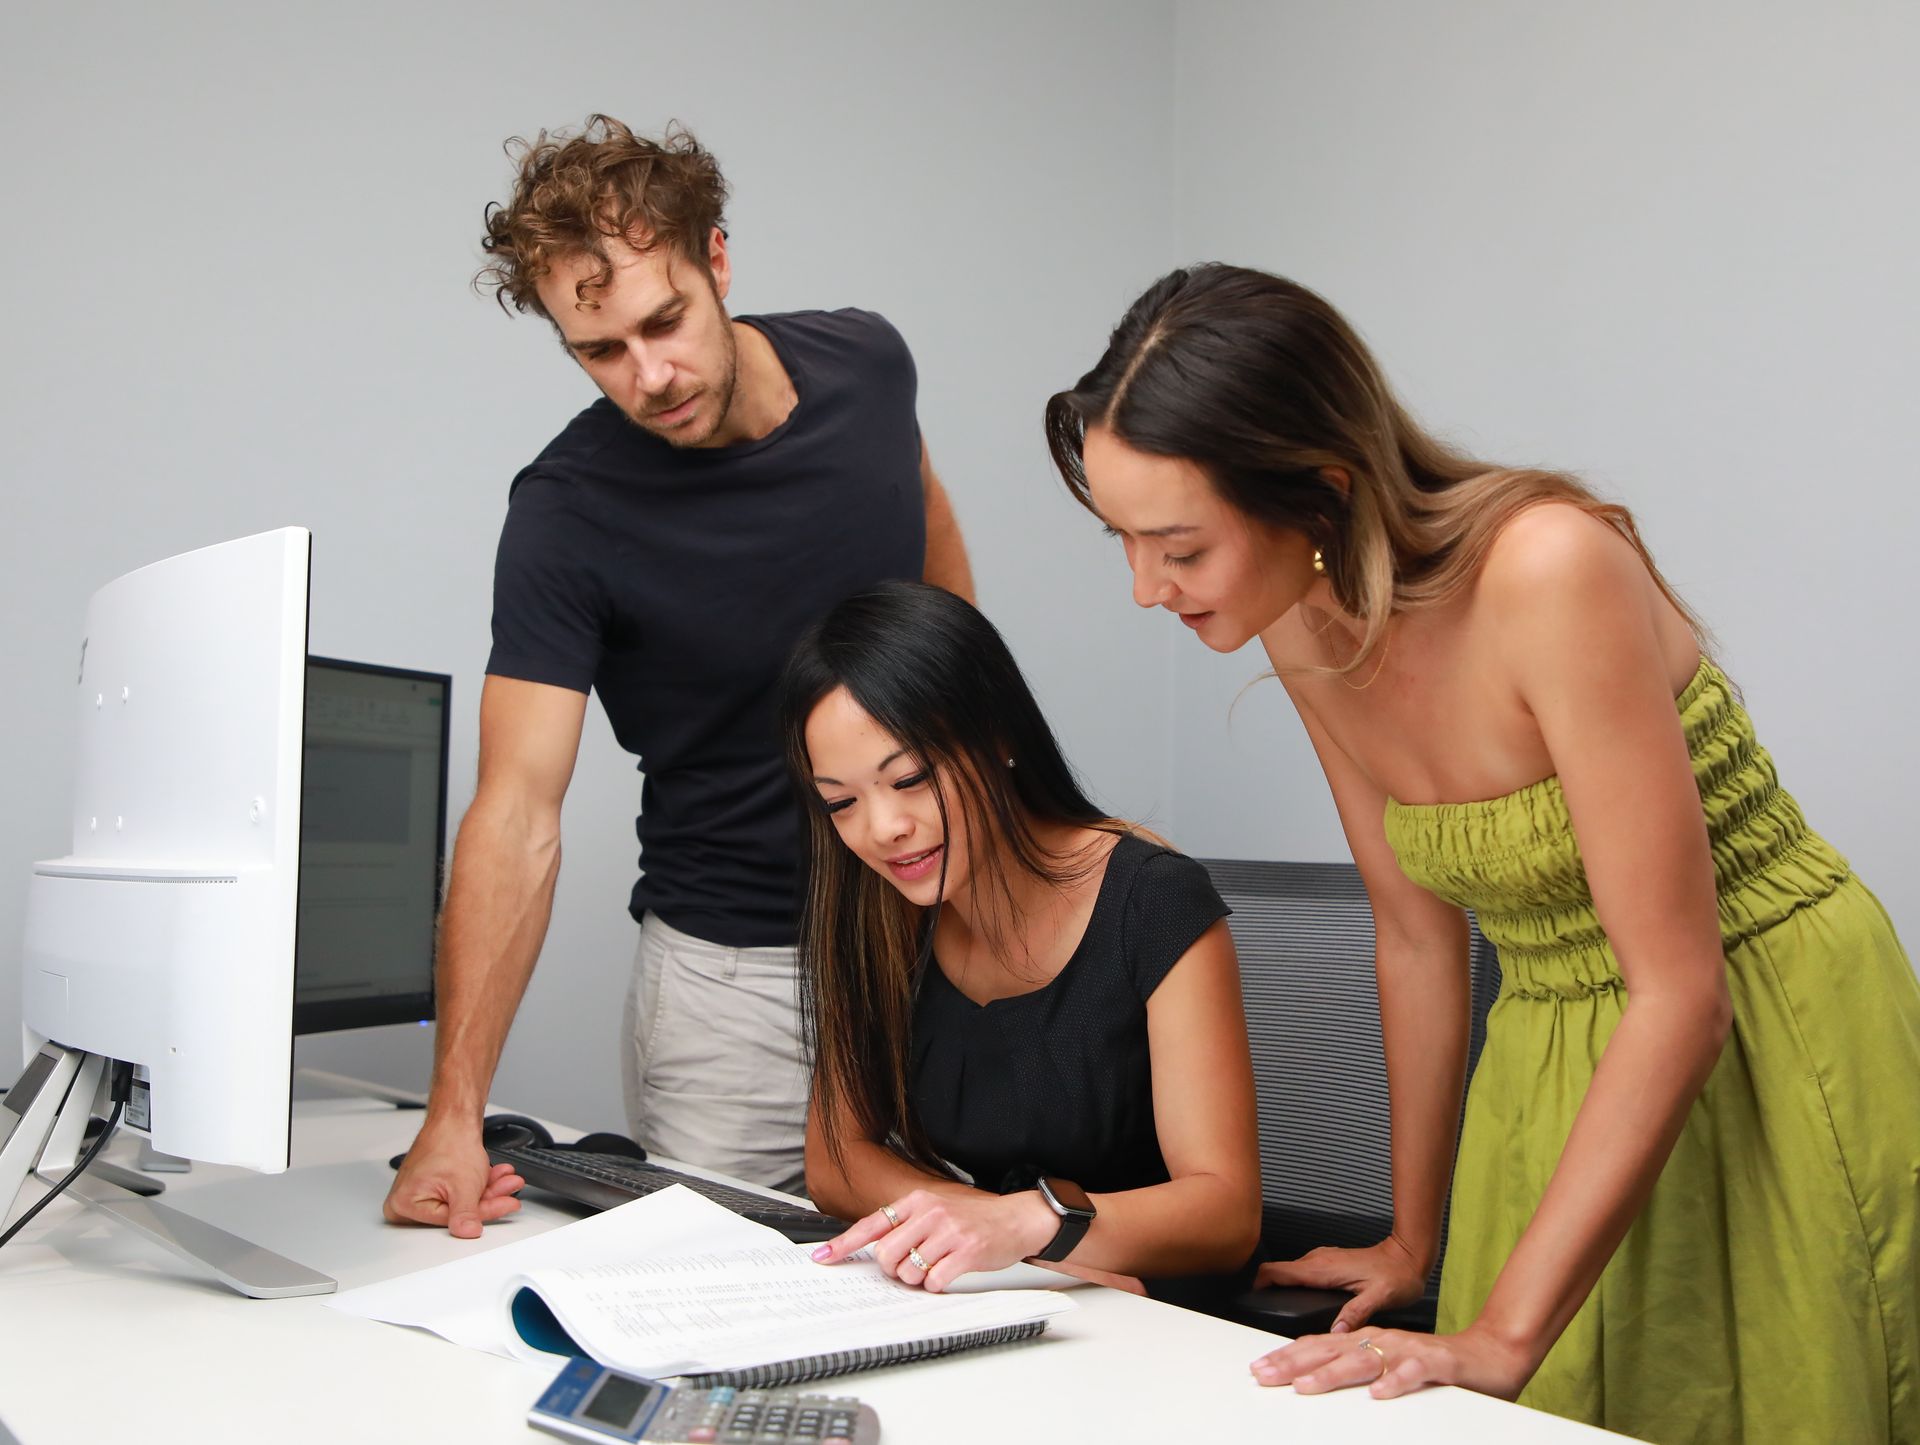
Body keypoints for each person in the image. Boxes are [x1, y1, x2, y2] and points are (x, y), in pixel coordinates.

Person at [1044, 265, 1920, 1442]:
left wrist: (1503, 1329)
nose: (1149, 588)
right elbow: (1415, 934)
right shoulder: (1303, 623)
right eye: (1125, 543)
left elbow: (1680, 990)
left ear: (1317, 491)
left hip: (1761, 1026)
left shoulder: (1550, 569)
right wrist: (1416, 1240)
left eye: (1180, 547)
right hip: (1548, 1058)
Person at [384, 117, 973, 1235]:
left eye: (666, 322)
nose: (649, 376)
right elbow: (516, 812)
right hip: (733, 988)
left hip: (928, 946)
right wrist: (452, 1113)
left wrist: (978, 775)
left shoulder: (868, 362)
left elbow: (931, 547)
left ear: (719, 261)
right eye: (601, 350)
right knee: (730, 1326)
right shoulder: (565, 513)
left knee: (954, 1292)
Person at [778, 580, 1262, 1299]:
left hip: (1157, 1310)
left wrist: (1029, 1228)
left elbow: (1225, 1211)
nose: (883, 829)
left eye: (910, 778)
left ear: (997, 736)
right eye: (842, 802)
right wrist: (1001, 1233)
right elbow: (835, 1161)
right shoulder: (880, 907)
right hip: (1010, 1289)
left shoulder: (1152, 898)